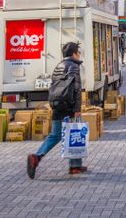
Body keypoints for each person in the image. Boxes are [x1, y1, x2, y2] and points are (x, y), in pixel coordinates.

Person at [26, 42, 86, 178]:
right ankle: (72, 166)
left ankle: (73, 165)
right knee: (73, 135)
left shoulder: (58, 66)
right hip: (69, 107)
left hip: (57, 105)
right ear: (74, 54)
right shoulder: (74, 67)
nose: (79, 55)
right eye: (78, 52)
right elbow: (76, 89)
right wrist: (77, 109)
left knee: (57, 135)